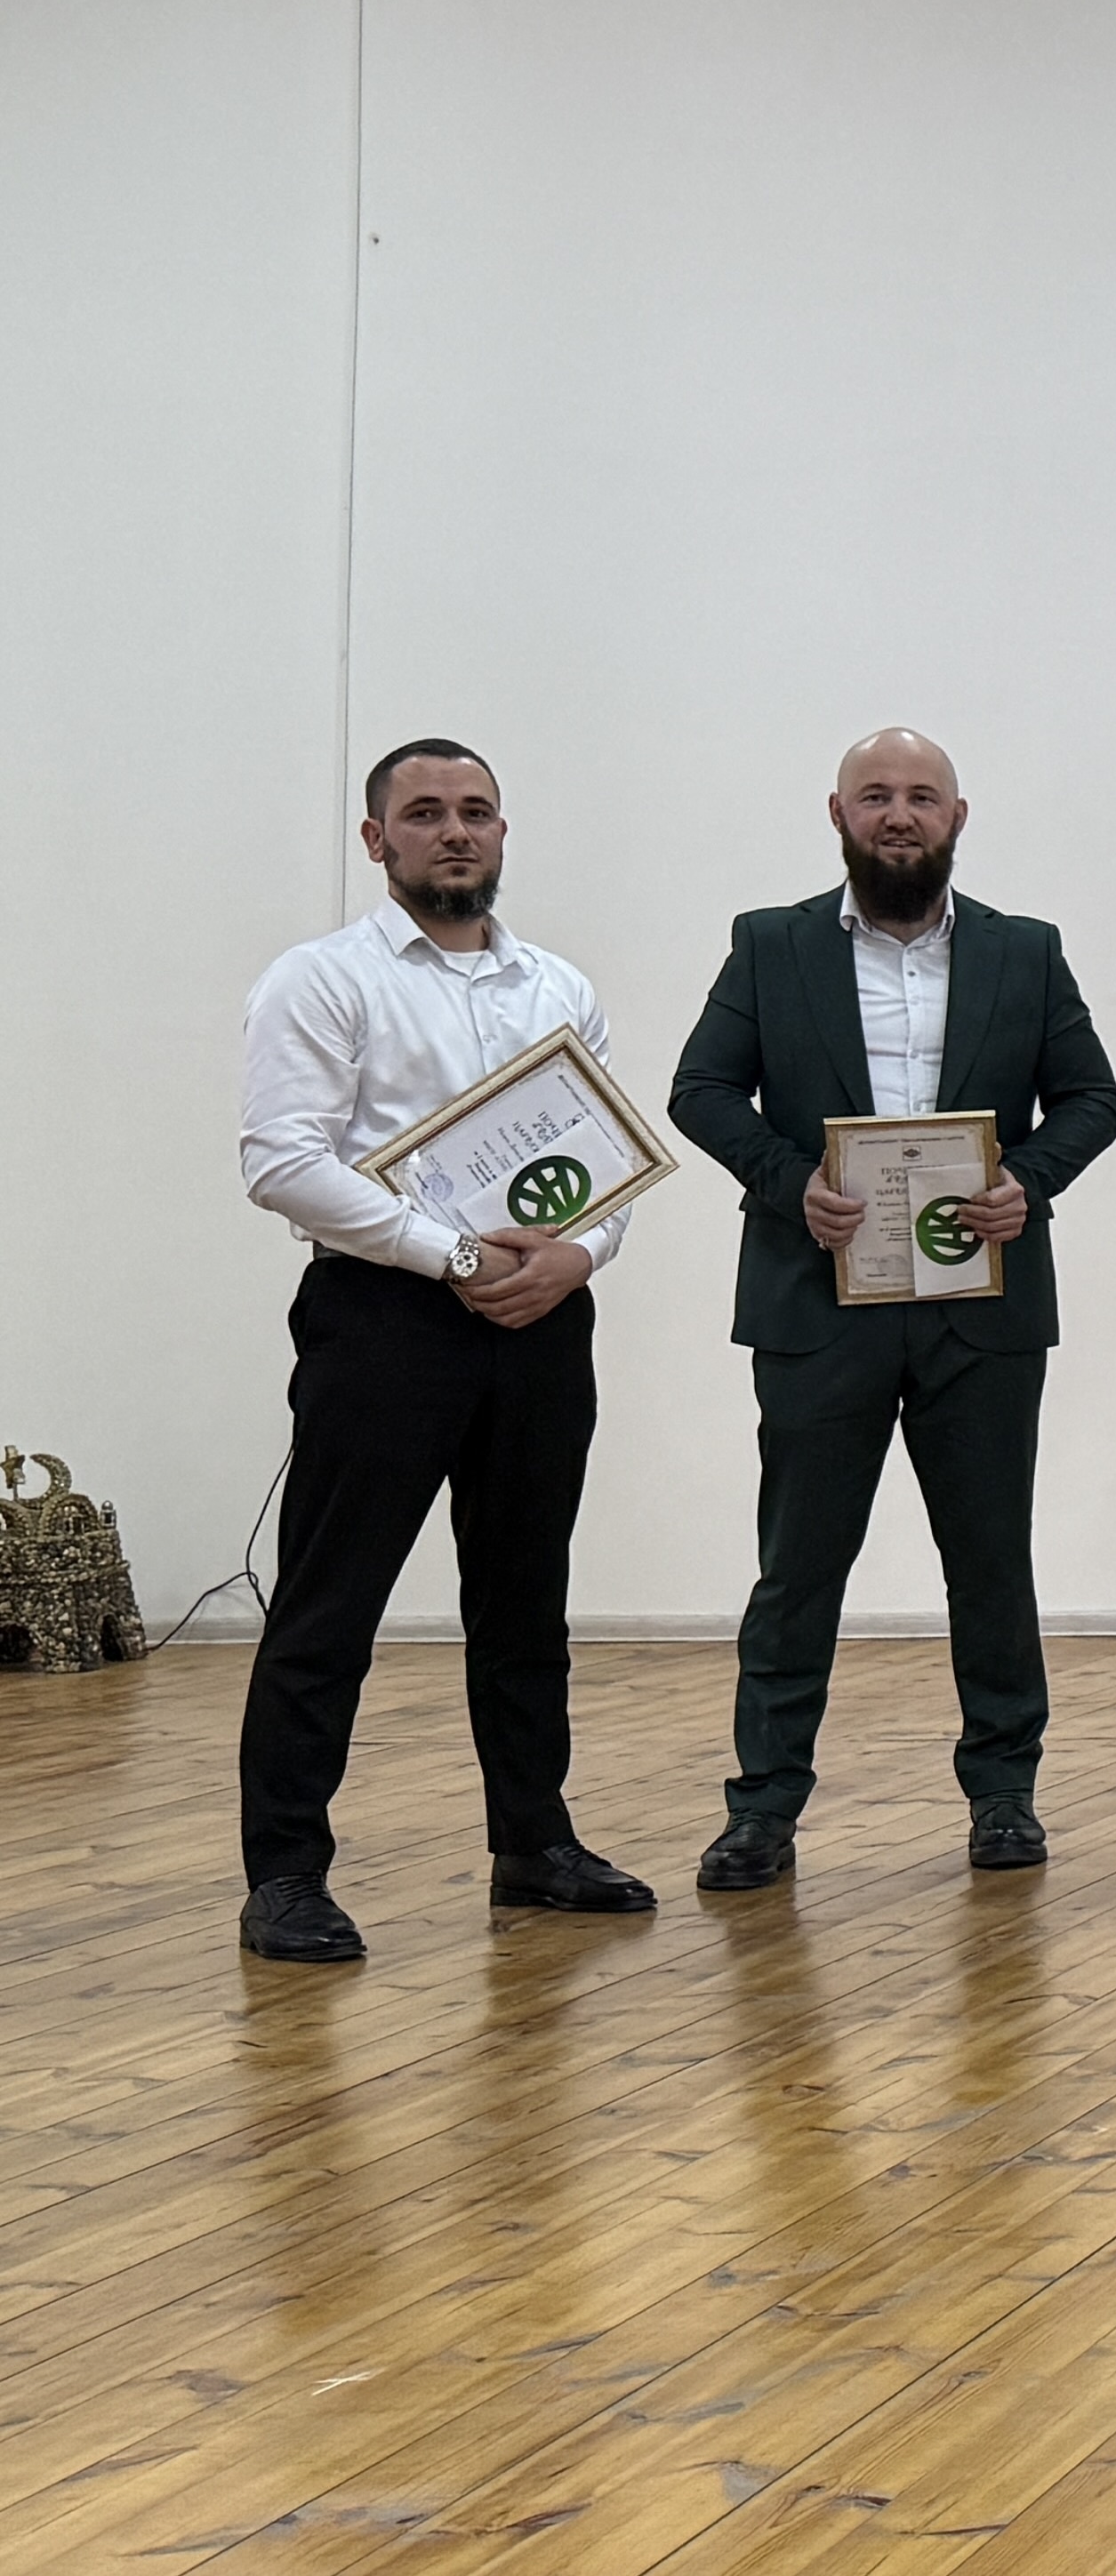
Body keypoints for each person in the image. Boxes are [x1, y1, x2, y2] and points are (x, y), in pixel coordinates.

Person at [668, 728, 1116, 1887]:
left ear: (958, 818)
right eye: (876, 795)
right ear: (838, 814)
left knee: (991, 1563)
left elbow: (1093, 1097)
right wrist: (790, 1185)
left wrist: (1028, 1180)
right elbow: (701, 1089)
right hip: (819, 1303)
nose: (899, 814)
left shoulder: (1026, 952)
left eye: (922, 796)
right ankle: (763, 1807)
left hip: (984, 1308)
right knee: (798, 1569)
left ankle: (1006, 1796)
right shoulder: (770, 945)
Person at [226, 738, 655, 1961]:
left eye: (476, 810)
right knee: (332, 1600)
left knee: (525, 1596)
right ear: (377, 840)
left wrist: (583, 1255)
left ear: (503, 833)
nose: (454, 831)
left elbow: (607, 1161)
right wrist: (452, 1255)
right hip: (384, 1321)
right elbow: (282, 1161)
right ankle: (285, 1874)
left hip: (542, 1318)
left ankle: (534, 1841)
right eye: (424, 813)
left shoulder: (559, 988)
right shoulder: (322, 980)